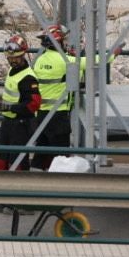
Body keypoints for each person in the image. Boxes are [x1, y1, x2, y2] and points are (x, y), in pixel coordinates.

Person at [28, 23, 87, 170]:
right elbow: (93, 62)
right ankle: (60, 184)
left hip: (40, 114)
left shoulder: (40, 60)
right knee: (61, 155)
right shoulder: (65, 61)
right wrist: (113, 54)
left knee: (41, 151)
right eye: (63, 41)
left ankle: (33, 182)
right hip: (58, 115)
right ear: (58, 41)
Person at [0, 34, 41, 171]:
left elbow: (32, 105)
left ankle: (19, 188)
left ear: (23, 55)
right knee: (0, 160)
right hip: (8, 121)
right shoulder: (12, 70)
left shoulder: (28, 78)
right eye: (10, 58)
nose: (12, 60)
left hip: (21, 124)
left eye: (15, 57)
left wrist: (9, 107)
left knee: (17, 161)